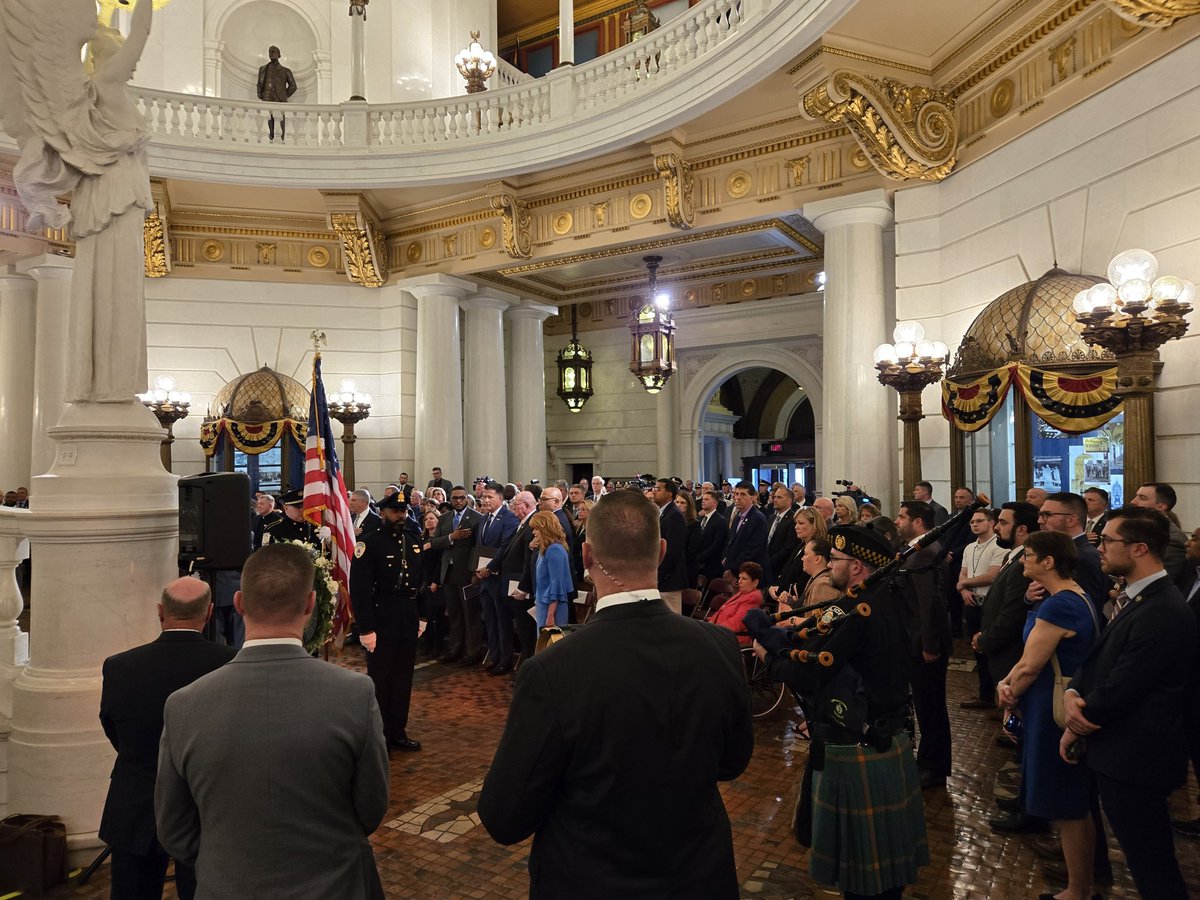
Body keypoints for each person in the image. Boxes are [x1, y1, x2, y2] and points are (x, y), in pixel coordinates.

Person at [478, 490, 753, 898]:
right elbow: (732, 763)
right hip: (698, 875)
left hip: (590, 878)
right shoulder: (719, 645)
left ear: (587, 557)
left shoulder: (553, 669)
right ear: (661, 552)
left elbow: (505, 817)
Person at [155, 543, 390, 899]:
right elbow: (371, 805)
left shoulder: (184, 704)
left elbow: (173, 826)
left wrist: (223, 863)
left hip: (227, 885)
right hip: (334, 884)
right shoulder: (354, 693)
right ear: (311, 605)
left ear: (238, 604)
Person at [749, 525, 929, 899]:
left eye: (836, 559)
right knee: (881, 874)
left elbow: (814, 671)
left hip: (857, 744)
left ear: (859, 566)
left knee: (864, 879)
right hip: (886, 737)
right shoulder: (888, 596)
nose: (831, 564)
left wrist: (771, 658)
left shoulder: (856, 609)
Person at [1061, 506, 1196, 900]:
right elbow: (1099, 658)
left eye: (1107, 541)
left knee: (1151, 864)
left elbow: (1125, 685)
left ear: (1139, 549)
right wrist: (1073, 691)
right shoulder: (1137, 599)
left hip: (1138, 758)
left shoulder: (1164, 609)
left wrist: (1077, 719)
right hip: (1119, 752)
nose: (1098, 547)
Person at [99, 577, 235, 900]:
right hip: (205, 806)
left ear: (160, 612)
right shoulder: (229, 664)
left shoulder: (119, 667)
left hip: (136, 802)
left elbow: (112, 728)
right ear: (209, 613)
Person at [995, 531, 1099, 900]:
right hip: (1050, 701)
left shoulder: (1060, 605)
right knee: (1072, 801)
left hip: (1051, 707)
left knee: (1068, 803)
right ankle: (1080, 884)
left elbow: (1030, 666)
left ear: (1048, 561)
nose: (1023, 560)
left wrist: (1008, 692)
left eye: (1030, 555)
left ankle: (1077, 889)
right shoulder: (1074, 596)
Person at [350, 489, 424, 752]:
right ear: (382, 513)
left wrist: (422, 616)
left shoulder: (412, 539)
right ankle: (379, 733)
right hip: (382, 618)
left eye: (403, 511)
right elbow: (359, 589)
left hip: (407, 616)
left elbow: (420, 580)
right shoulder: (369, 543)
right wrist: (366, 628)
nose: (400, 515)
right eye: (395, 511)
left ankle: (398, 731)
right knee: (381, 679)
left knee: (403, 677)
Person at [895, 500, 953, 790]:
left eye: (902, 517)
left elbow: (928, 604)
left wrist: (929, 645)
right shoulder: (921, 551)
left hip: (924, 644)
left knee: (930, 706)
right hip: (918, 640)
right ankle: (929, 762)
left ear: (918, 522)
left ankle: (934, 767)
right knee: (925, 704)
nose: (897, 521)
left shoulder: (922, 555)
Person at [957, 508, 1008, 709]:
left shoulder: (999, 546)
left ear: (990, 522)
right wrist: (963, 590)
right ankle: (985, 695)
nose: (974, 524)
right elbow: (962, 573)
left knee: (992, 651)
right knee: (976, 650)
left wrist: (963, 584)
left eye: (979, 521)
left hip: (989, 603)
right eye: (972, 522)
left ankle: (1000, 699)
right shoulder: (969, 547)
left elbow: (992, 575)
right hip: (971, 602)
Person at [431, 486, 484, 665]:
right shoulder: (445, 518)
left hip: (467, 573)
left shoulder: (477, 518)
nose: (459, 501)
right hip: (449, 572)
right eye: (455, 498)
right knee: (453, 614)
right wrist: (452, 537)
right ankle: (455, 649)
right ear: (451, 499)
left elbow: (479, 547)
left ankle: (472, 652)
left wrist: (476, 572)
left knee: (470, 615)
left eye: (462, 498)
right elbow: (435, 542)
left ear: (467, 499)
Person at [473, 481, 520, 675]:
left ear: (500, 498)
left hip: (498, 578)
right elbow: (480, 547)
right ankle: (494, 655)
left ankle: (505, 659)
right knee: (489, 621)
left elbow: (505, 547)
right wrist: (476, 570)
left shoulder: (509, 518)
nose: (485, 500)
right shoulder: (484, 519)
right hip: (484, 579)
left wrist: (489, 568)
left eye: (489, 497)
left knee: (502, 621)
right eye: (483, 496)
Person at [769, 507, 828, 607]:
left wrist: (781, 591)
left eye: (801, 523)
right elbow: (786, 572)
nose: (796, 527)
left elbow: (805, 582)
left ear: (814, 525)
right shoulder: (800, 545)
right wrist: (775, 588)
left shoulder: (818, 548)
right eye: (796, 523)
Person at [530, 510, 573, 629]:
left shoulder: (555, 550)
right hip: (543, 605)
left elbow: (557, 584)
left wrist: (550, 615)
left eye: (536, 529)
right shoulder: (546, 549)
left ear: (545, 528)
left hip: (552, 609)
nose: (534, 532)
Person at [723, 480, 771, 584]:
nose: (738, 497)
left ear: (753, 497)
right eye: (736, 494)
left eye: (743, 494)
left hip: (751, 576)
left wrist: (733, 569)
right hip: (737, 573)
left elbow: (752, 550)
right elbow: (732, 543)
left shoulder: (758, 518)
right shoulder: (737, 517)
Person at [707, 561, 764, 645]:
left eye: (744, 578)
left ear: (755, 582)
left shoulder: (753, 597)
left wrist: (713, 629)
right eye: (739, 577)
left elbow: (736, 624)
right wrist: (710, 623)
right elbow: (722, 610)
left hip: (731, 638)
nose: (739, 581)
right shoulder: (743, 592)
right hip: (719, 631)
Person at [416, 509, 444, 658]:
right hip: (422, 581)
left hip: (435, 582)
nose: (429, 521)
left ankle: (437, 646)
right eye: (427, 519)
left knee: (437, 617)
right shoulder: (422, 539)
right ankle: (426, 643)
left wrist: (435, 581)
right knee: (425, 615)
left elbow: (440, 563)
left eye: (432, 518)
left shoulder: (440, 540)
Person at [256, 45, 296, 142]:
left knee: (279, 124)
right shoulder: (263, 69)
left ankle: (279, 140)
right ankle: (270, 138)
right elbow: (259, 83)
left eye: (274, 51)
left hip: (279, 99)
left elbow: (293, 86)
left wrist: (284, 95)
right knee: (267, 122)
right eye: (270, 51)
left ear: (279, 55)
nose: (272, 52)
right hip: (267, 97)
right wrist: (260, 93)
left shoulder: (286, 71)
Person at [674, 490, 702, 588]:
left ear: (688, 505)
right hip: (675, 567)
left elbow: (693, 549)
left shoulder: (694, 524)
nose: (679, 505)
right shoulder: (673, 522)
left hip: (688, 568)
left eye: (682, 503)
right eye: (677, 502)